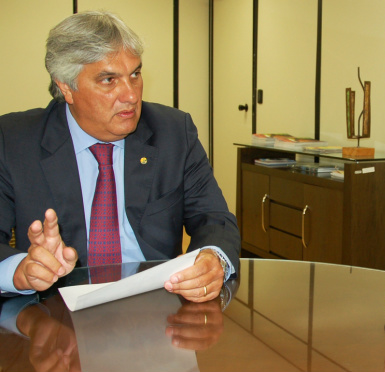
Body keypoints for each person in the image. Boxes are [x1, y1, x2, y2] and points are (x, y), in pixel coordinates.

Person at [0, 11, 240, 303]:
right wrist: (19, 271)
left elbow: (214, 217)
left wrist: (213, 258)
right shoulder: (13, 140)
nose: (130, 95)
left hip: (156, 308)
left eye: (135, 74)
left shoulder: (174, 132)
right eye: (108, 80)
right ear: (66, 87)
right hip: (55, 314)